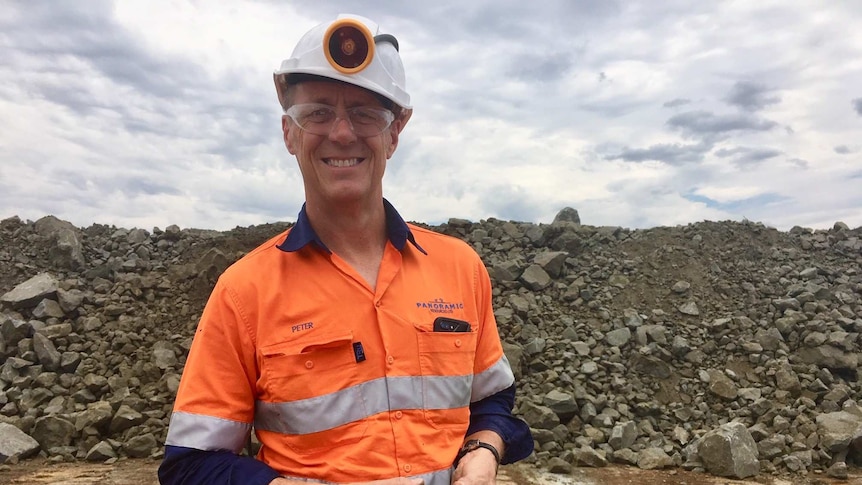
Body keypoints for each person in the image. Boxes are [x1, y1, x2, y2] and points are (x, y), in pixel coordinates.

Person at [158, 13, 533, 485]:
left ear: (394, 133)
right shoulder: (243, 293)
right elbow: (189, 464)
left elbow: (492, 398)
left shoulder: (461, 269)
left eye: (364, 114)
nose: (341, 133)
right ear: (288, 132)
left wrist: (484, 450)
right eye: (317, 112)